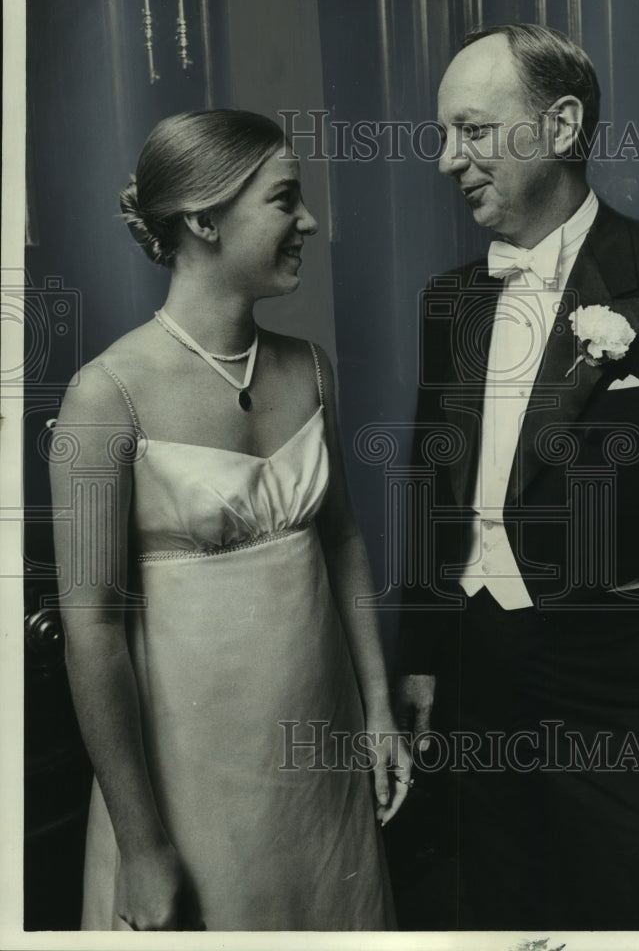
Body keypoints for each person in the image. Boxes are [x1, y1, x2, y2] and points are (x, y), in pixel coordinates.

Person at [394, 25, 639, 930]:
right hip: (479, 685)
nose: (449, 159)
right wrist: (417, 662)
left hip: (635, 704)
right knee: (504, 916)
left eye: (473, 130)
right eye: (444, 136)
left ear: (561, 125)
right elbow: (430, 485)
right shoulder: (449, 299)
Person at [49, 109, 410, 931]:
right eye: (285, 200)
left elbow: (343, 537)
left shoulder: (309, 367)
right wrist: (142, 848)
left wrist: (378, 708)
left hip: (319, 754)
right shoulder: (107, 396)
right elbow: (92, 631)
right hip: (188, 781)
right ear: (205, 219)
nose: (309, 222)